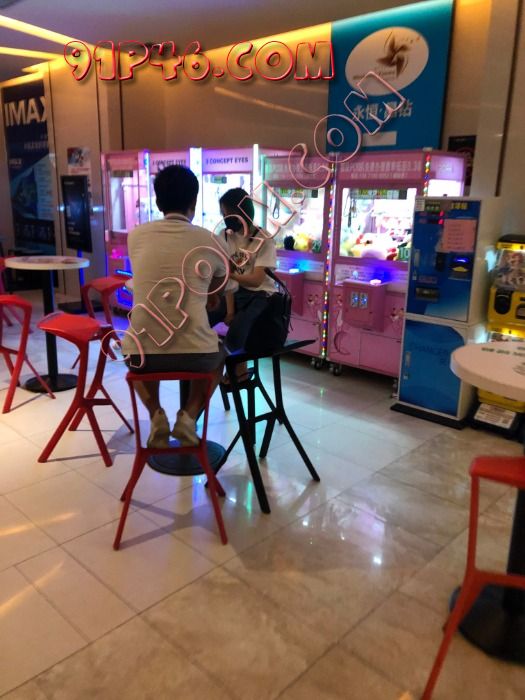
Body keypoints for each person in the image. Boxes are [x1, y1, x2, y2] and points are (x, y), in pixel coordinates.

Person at [122, 165, 228, 448]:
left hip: (143, 354)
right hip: (197, 355)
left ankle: (156, 414)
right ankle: (189, 418)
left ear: (158, 202)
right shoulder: (211, 240)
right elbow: (222, 282)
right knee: (220, 355)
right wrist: (210, 294)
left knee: (137, 351)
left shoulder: (136, 236)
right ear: (194, 201)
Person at [209, 187, 277, 381]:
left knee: (238, 330)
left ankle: (234, 372)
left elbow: (257, 280)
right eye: (223, 214)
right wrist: (230, 311)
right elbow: (228, 283)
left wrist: (230, 274)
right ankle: (210, 366)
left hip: (260, 295)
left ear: (242, 212)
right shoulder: (224, 236)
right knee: (205, 317)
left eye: (228, 214)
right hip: (235, 292)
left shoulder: (263, 239)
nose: (225, 218)